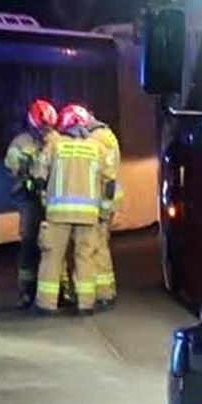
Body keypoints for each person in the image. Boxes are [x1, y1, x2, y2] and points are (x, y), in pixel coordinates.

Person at [31, 103, 102, 316]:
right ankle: (86, 304)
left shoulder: (55, 144)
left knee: (52, 258)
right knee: (85, 259)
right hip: (88, 216)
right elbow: (107, 179)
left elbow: (38, 175)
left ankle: (47, 304)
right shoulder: (96, 147)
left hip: (58, 214)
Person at [4, 98, 58, 307]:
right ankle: (26, 289)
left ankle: (55, 289)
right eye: (41, 128)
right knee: (29, 243)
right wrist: (25, 176)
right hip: (28, 199)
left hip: (52, 199)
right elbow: (11, 167)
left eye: (48, 128)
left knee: (52, 244)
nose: (44, 133)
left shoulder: (57, 140)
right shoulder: (21, 143)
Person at [85, 110, 121, 310]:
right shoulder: (106, 135)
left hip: (101, 200)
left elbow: (105, 177)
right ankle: (104, 291)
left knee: (97, 247)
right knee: (100, 246)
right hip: (106, 199)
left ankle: (104, 293)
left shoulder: (97, 139)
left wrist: (103, 210)